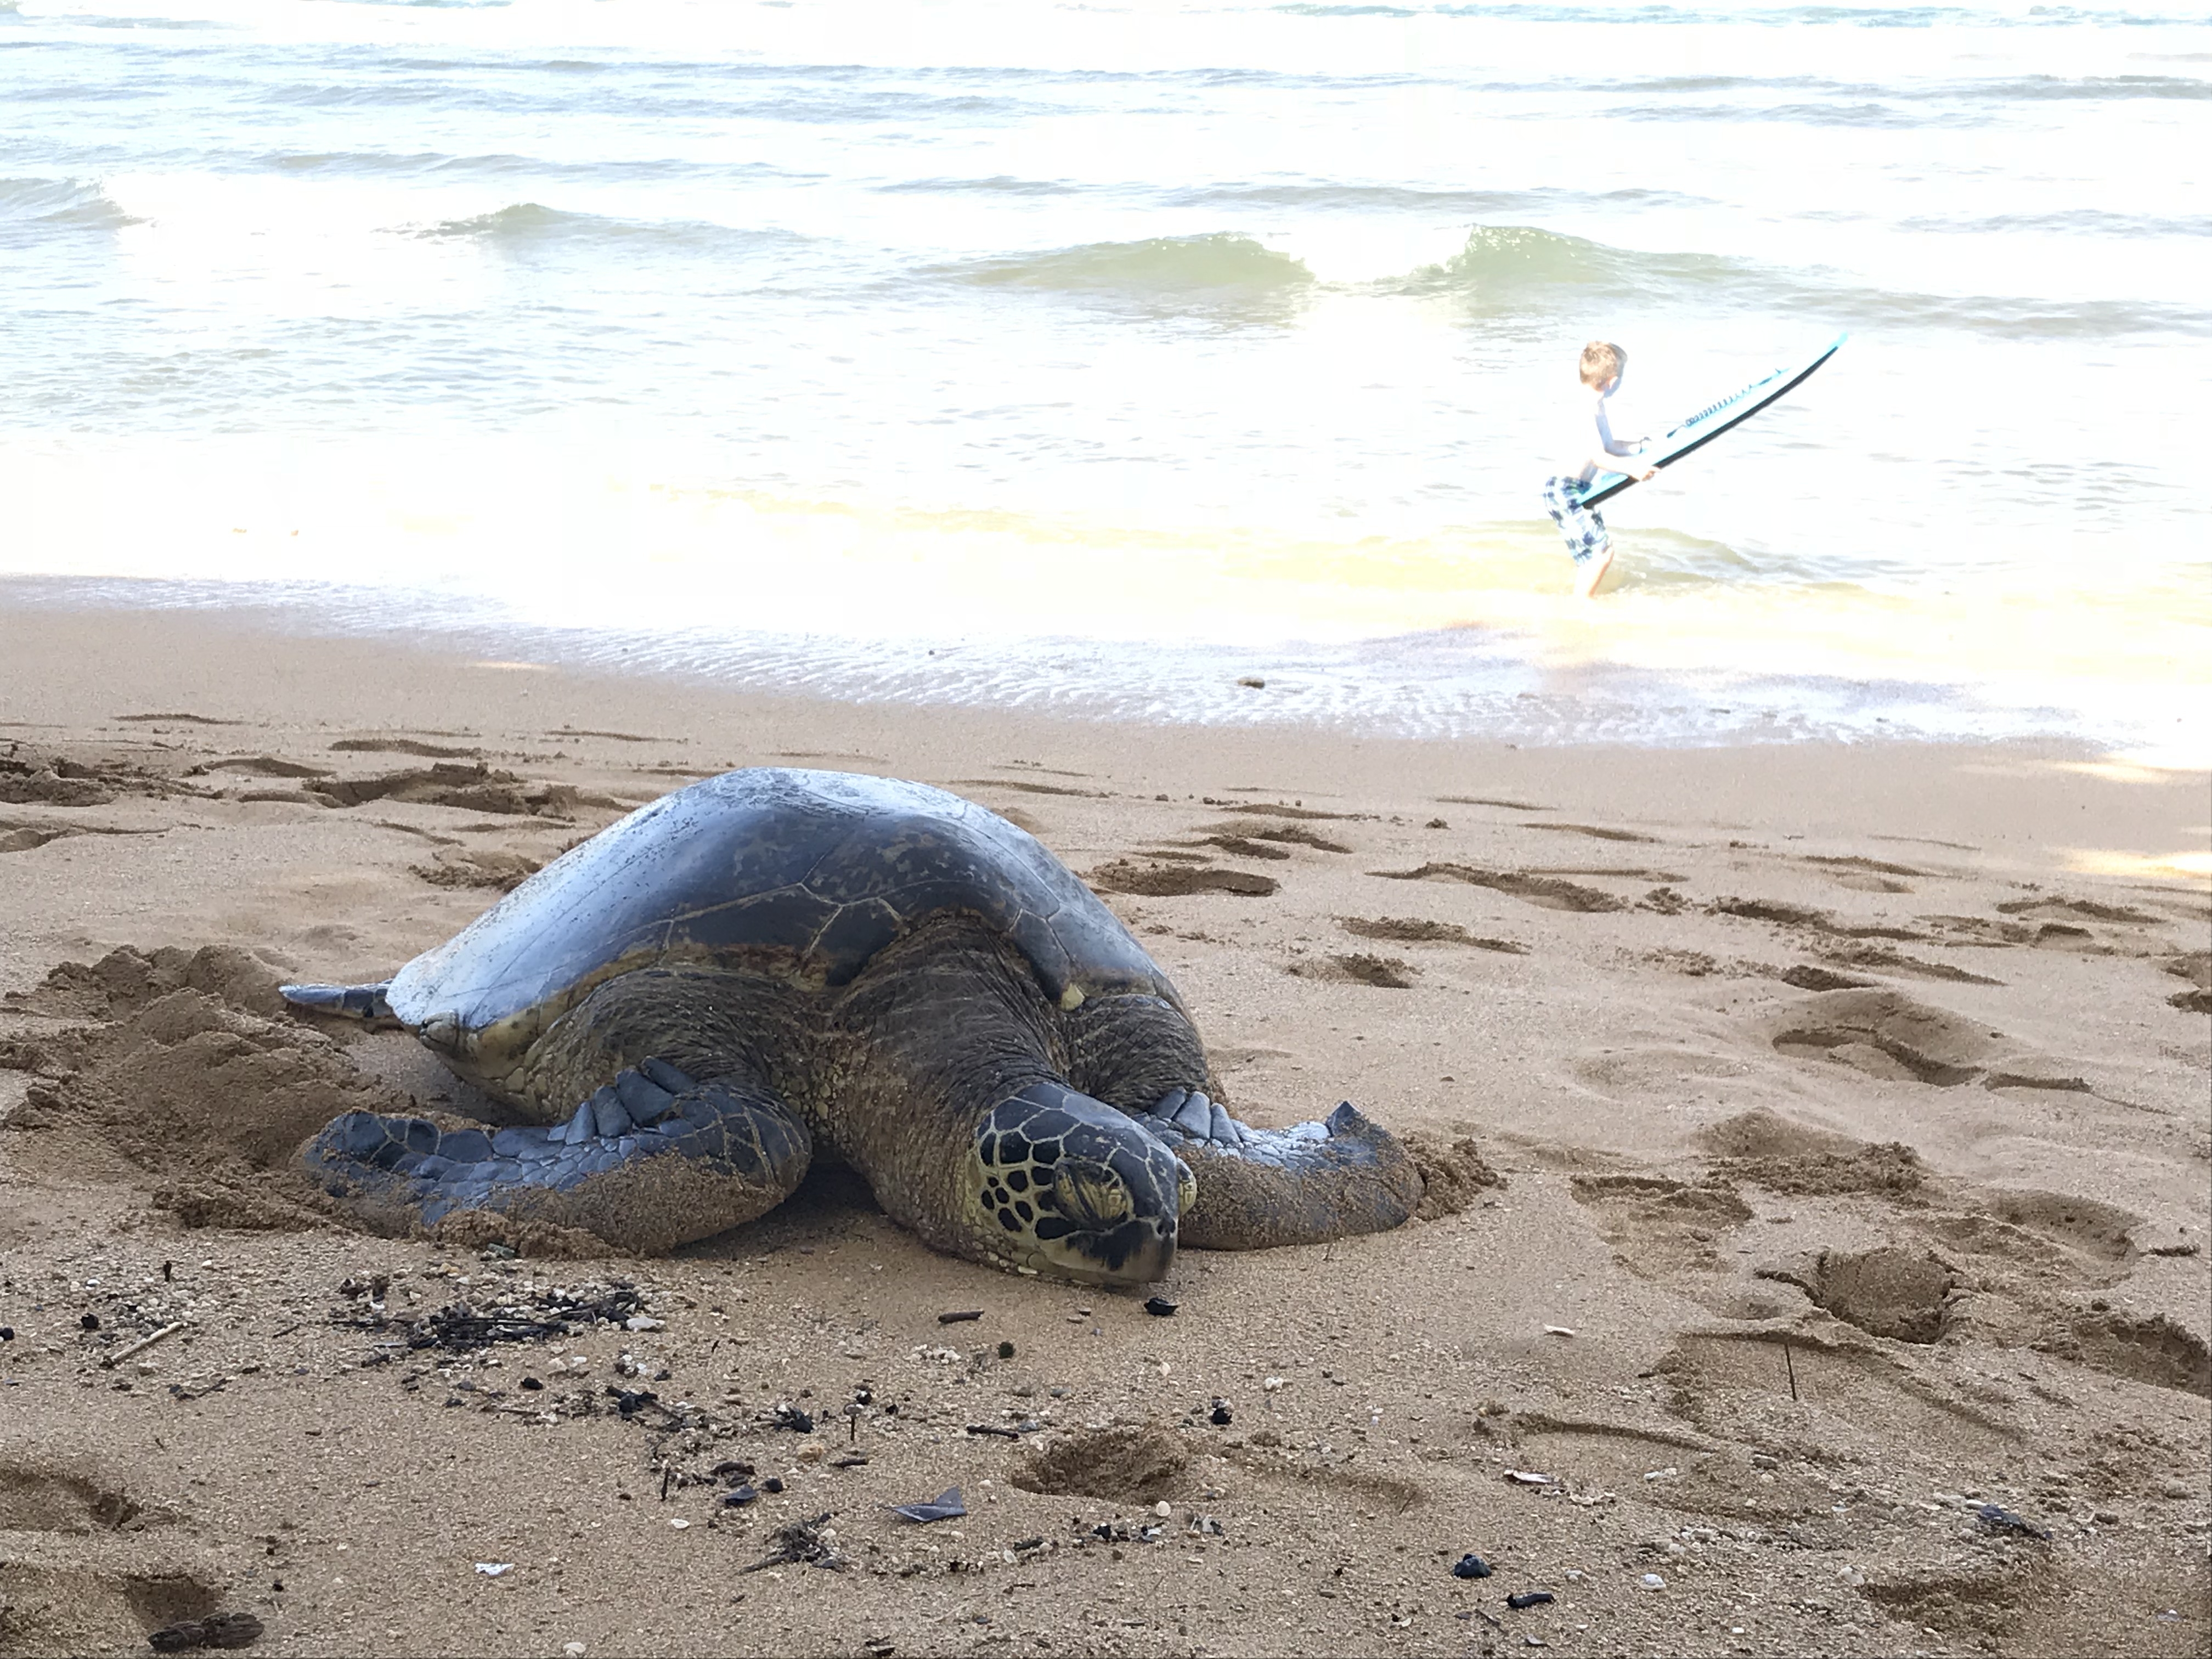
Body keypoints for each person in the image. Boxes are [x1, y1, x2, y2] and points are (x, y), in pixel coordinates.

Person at [1542, 340, 1657, 599]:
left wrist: (1642, 447)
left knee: (1592, 556)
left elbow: (1610, 446)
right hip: (1565, 490)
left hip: (1577, 490)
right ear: (1612, 381)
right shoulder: (1585, 411)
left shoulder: (1596, 408)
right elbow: (1598, 457)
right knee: (1602, 553)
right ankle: (1580, 605)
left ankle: (1580, 600)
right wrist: (1634, 470)